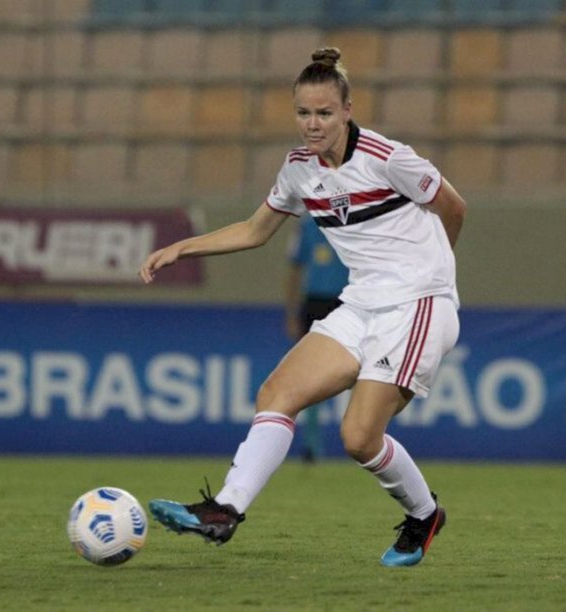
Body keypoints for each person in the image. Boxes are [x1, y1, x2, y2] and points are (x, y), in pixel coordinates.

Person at [139, 47, 466, 567]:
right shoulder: (297, 170)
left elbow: (453, 206)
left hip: (418, 305)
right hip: (361, 303)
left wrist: (434, 275)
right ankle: (224, 510)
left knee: (358, 438)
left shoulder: (388, 158)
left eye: (324, 113)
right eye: (303, 114)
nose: (312, 125)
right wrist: (184, 246)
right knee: (277, 392)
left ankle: (424, 516)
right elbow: (254, 230)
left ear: (348, 109)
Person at [284, 213, 349, 462]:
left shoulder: (359, 213)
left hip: (348, 300)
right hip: (315, 303)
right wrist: (291, 312)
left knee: (360, 374)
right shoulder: (307, 223)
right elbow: (294, 268)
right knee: (311, 378)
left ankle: (362, 438)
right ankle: (312, 444)